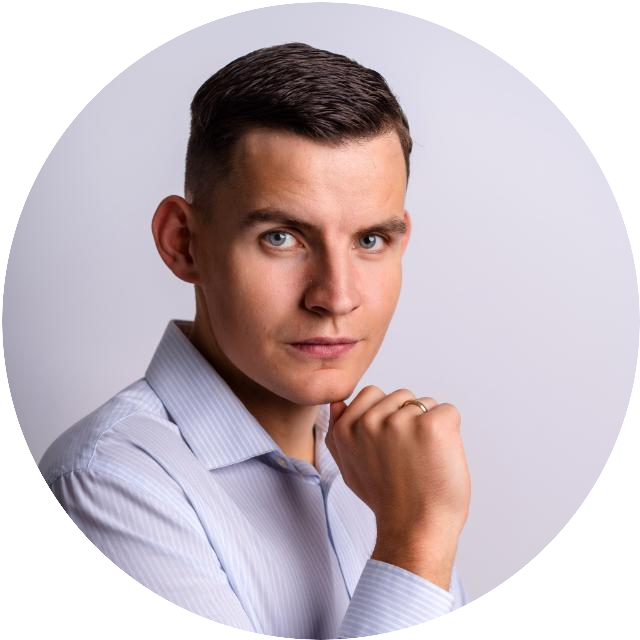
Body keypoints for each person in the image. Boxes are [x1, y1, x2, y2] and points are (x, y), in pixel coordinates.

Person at [38, 41, 471, 637]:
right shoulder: (106, 484)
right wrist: (418, 539)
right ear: (183, 242)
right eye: (281, 237)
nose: (336, 296)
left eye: (370, 240)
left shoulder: (390, 471)